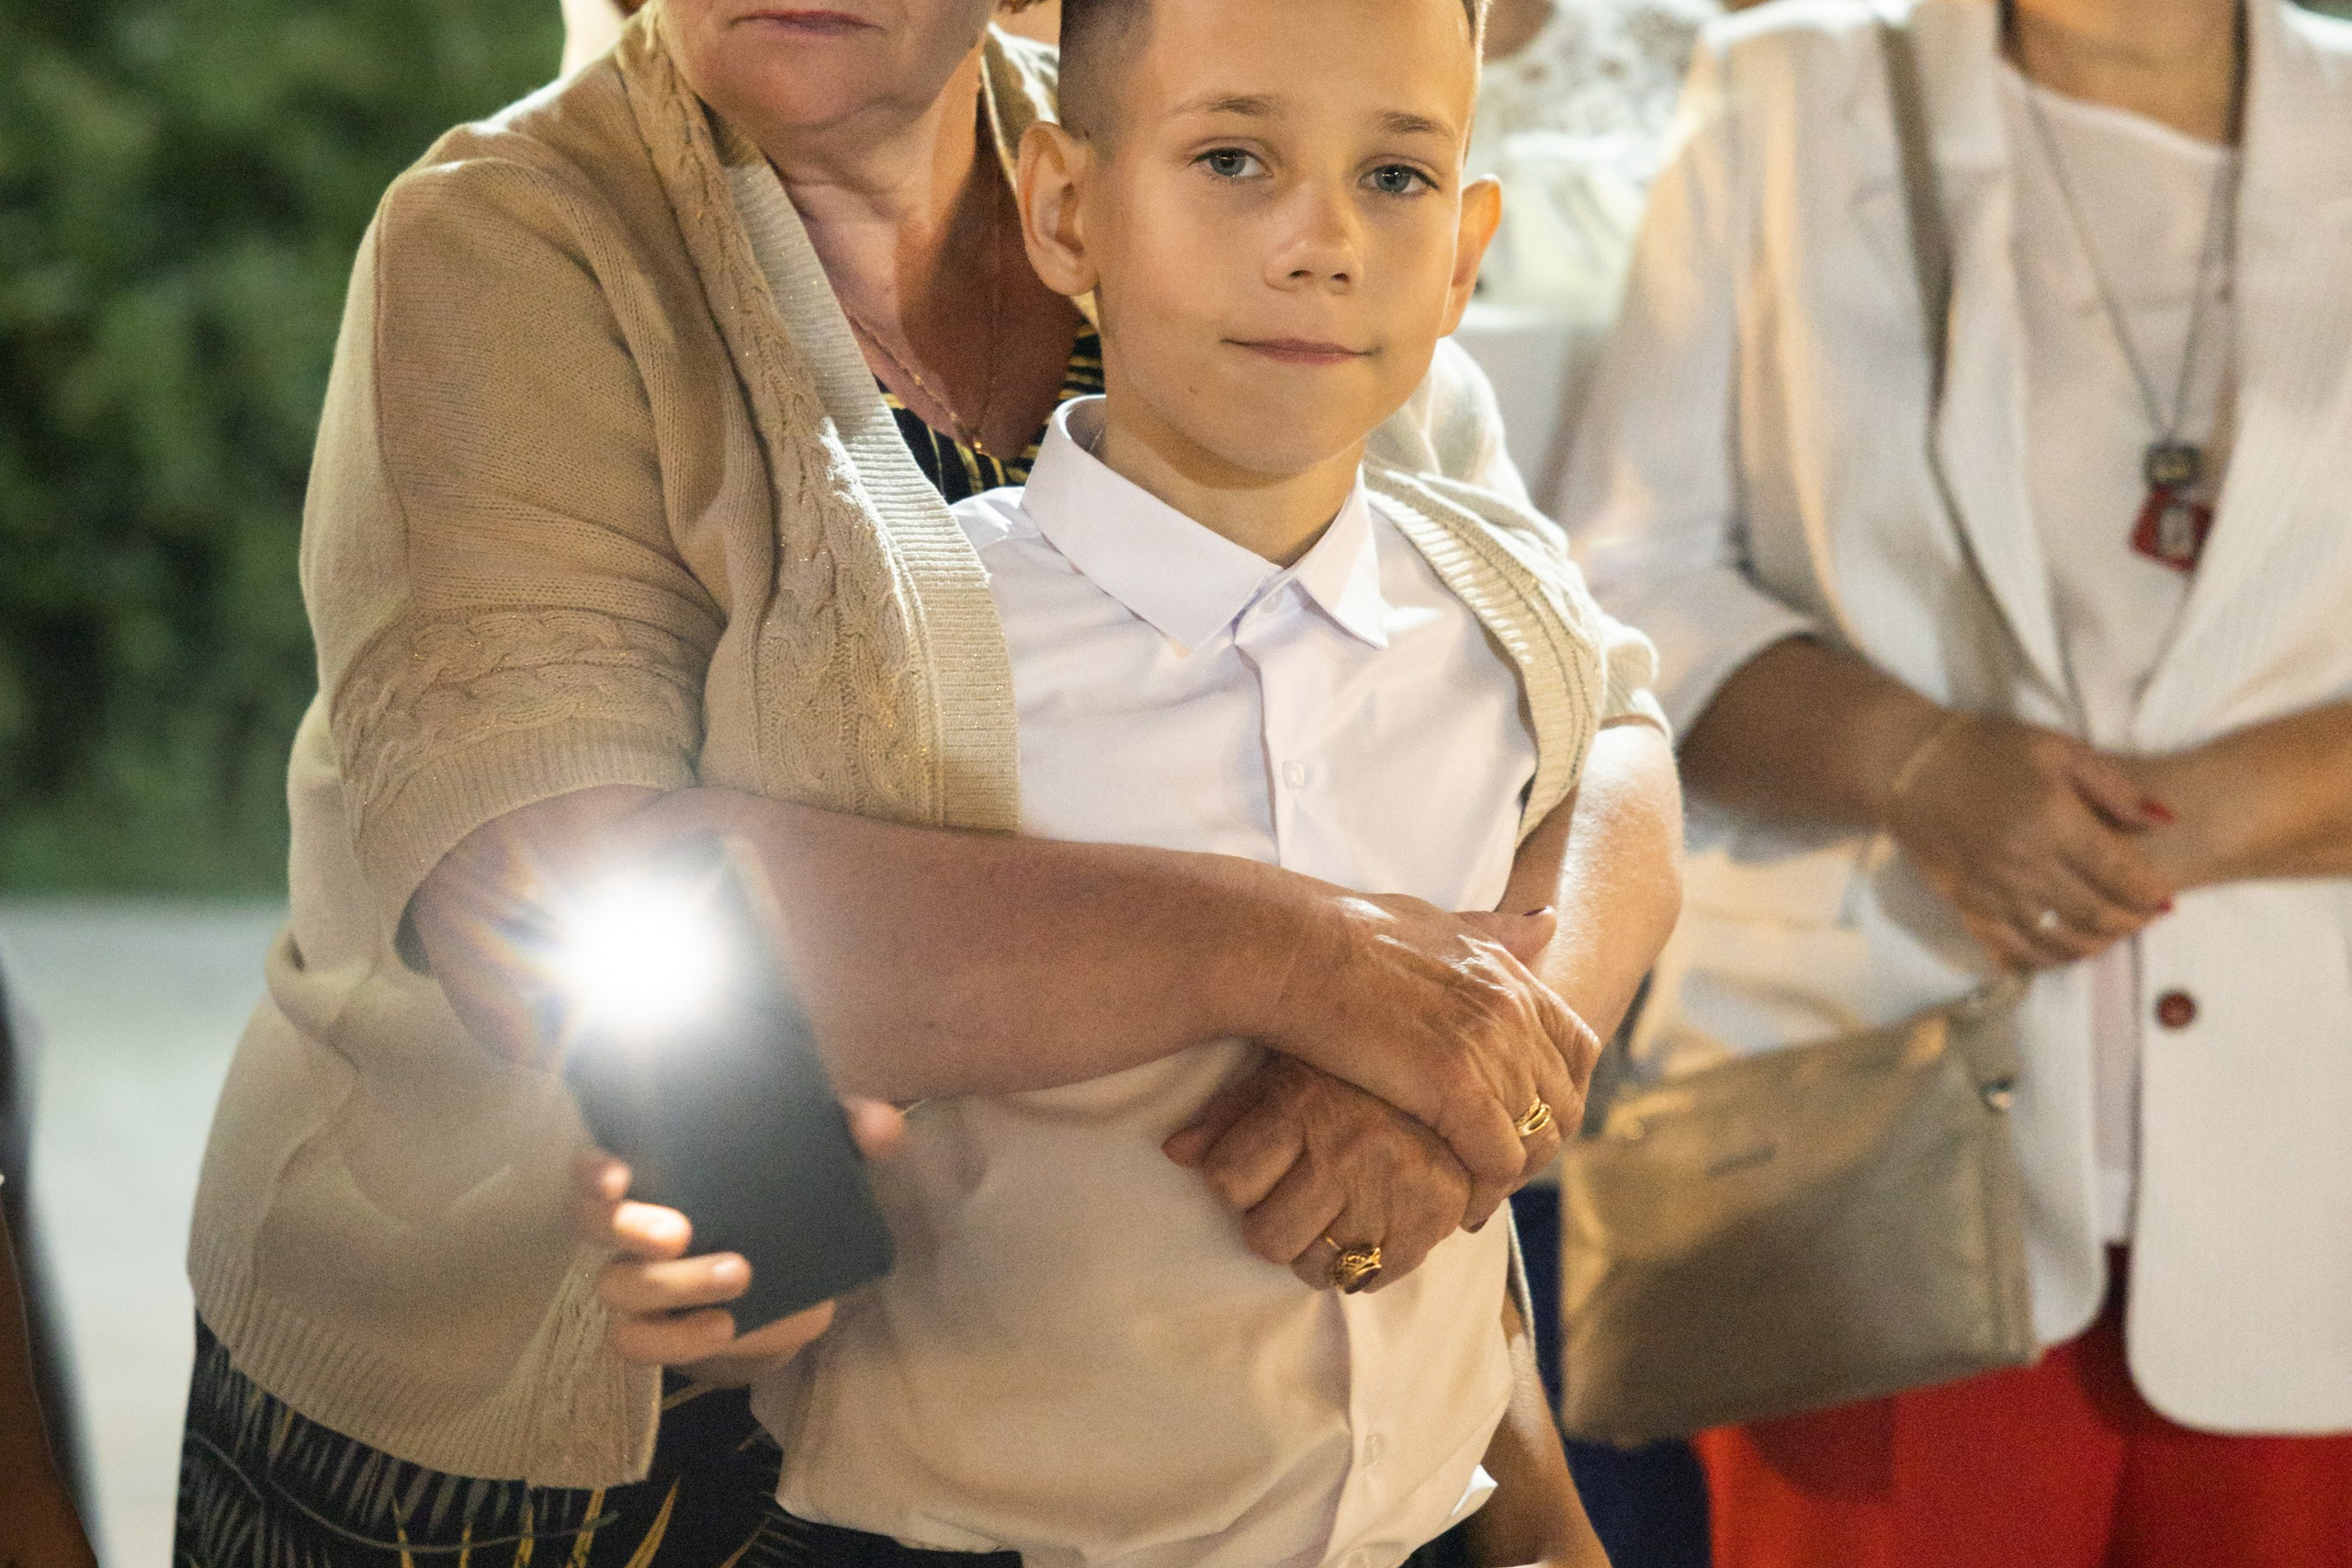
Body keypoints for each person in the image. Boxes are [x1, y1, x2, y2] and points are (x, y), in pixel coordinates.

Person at [176, 0, 1684, 1560]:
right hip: (538, 1408)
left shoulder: (1214, 134)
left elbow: (1584, 717)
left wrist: (1452, 1095)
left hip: (1149, 1434)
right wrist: (1306, 963)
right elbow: (564, 892)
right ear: (1063, 213)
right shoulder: (508, 239)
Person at [1563, 0, 2352, 1562]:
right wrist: (1912, 763)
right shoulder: (1788, 87)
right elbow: (1624, 581)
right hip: (1871, 1141)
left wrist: (2216, 814)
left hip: (2312, 1161)